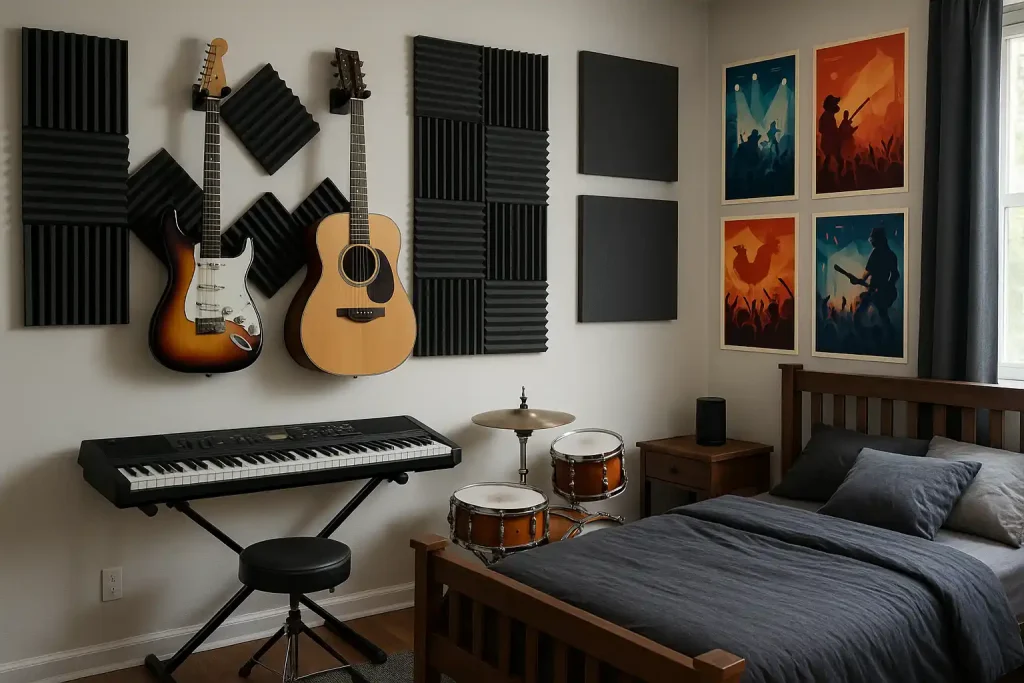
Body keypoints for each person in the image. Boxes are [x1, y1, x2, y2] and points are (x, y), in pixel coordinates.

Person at [852, 226, 900, 337]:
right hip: (875, 291)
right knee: (882, 317)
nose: (872, 243)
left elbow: (895, 275)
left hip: (879, 292)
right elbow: (868, 272)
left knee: (860, 315)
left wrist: (885, 287)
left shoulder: (882, 254)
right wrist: (860, 281)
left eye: (874, 240)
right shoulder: (889, 254)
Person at [818, 95, 841, 176]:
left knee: (831, 161)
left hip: (829, 143)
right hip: (829, 143)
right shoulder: (827, 116)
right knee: (836, 162)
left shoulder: (827, 116)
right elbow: (822, 129)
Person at [838, 110, 859, 179]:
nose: (846, 116)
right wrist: (854, 129)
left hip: (846, 143)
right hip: (847, 143)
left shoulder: (844, 123)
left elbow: (848, 130)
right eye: (846, 115)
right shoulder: (844, 123)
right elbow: (848, 132)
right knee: (848, 157)